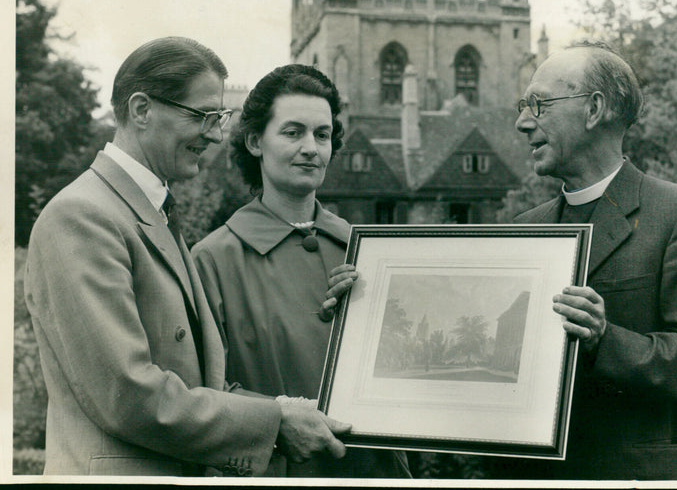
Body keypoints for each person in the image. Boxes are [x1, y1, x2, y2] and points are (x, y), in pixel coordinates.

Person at [24, 37, 352, 477]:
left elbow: (201, 382)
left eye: (219, 118)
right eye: (202, 116)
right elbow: (128, 395)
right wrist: (275, 423)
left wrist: (292, 410)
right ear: (142, 110)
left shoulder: (149, 212)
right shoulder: (82, 215)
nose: (216, 134)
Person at [503, 42, 677, 480]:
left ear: (594, 110)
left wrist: (604, 341)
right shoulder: (525, 226)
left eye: (538, 104)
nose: (522, 122)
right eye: (523, 106)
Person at [192, 65, 411, 478]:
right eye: (293, 133)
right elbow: (202, 392)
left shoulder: (367, 251)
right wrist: (275, 422)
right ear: (256, 141)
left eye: (322, 134)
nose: (311, 148)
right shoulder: (213, 259)